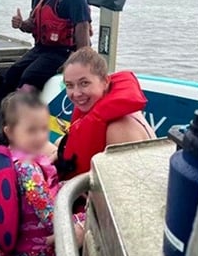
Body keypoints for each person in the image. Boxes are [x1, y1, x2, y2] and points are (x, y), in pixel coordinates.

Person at [0, 92, 84, 256]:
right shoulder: (28, 168)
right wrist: (83, 216)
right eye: (31, 130)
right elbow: (53, 219)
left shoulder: (4, 158)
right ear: (10, 132)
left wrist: (63, 185)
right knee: (92, 217)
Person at [54, 47, 154, 180]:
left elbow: (124, 190)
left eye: (84, 83)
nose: (76, 93)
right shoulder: (96, 106)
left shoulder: (120, 129)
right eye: (69, 85)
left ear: (106, 81)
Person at [3, 0, 92, 99]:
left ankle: (28, 116)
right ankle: (6, 113)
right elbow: (32, 25)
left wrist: (78, 62)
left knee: (29, 78)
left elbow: (83, 27)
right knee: (12, 73)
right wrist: (21, 24)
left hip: (64, 52)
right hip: (42, 48)